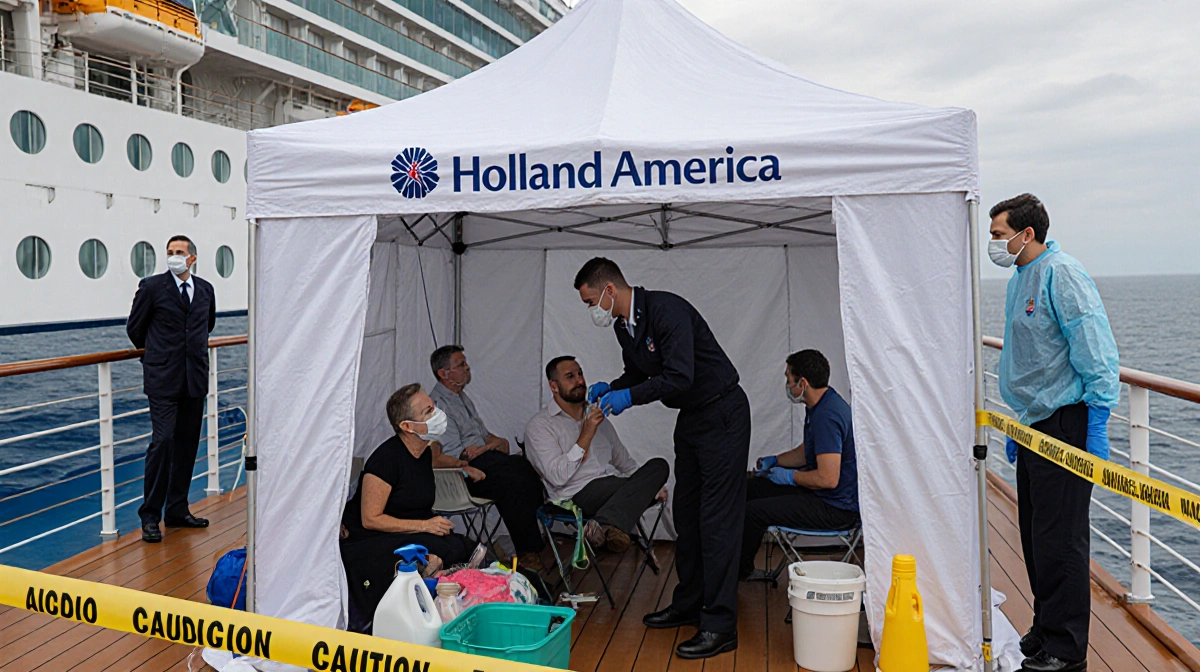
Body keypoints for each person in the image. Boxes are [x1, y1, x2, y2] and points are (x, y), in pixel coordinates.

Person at [575, 257, 750, 660]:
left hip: (722, 412)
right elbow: (638, 375)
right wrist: (613, 387)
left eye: (590, 301)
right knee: (686, 514)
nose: (591, 310)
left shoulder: (666, 310)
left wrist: (629, 397)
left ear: (609, 290)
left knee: (717, 520)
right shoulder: (624, 327)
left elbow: (679, 376)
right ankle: (689, 602)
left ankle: (720, 625)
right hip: (691, 418)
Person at [990, 194, 1119, 672]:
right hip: (1034, 423)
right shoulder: (1021, 278)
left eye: (999, 235)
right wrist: (1021, 420)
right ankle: (1045, 628)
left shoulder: (1062, 274)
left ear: (1027, 234)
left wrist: (1099, 419)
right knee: (1035, 535)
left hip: (1067, 423)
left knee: (1061, 539)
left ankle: (1067, 650)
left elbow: (1094, 345)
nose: (994, 244)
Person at [340, 384, 481, 633]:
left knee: (464, 546)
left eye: (434, 408)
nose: (437, 415)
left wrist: (429, 522)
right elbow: (370, 519)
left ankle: (466, 612)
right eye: (428, 412)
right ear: (407, 426)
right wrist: (425, 525)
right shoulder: (385, 460)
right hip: (369, 536)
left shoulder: (424, 453)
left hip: (408, 528)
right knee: (432, 553)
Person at [525, 355, 669, 553]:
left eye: (580, 374)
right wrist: (587, 433)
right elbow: (557, 477)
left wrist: (649, 483)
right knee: (639, 489)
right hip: (574, 495)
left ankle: (603, 525)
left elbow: (624, 461)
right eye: (570, 376)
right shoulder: (540, 426)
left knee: (659, 466)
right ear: (554, 386)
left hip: (610, 487)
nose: (579, 381)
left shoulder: (598, 417)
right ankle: (607, 524)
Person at [738, 349, 859, 580]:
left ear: (802, 382)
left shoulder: (827, 415)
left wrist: (789, 477)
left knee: (753, 512)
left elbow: (828, 478)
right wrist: (776, 461)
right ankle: (725, 559)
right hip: (824, 497)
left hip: (836, 508)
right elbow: (809, 452)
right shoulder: (822, 405)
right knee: (749, 488)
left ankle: (739, 572)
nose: (787, 384)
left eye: (788, 379)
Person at [126, 235, 216, 543]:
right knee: (162, 441)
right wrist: (159, 356)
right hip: (162, 380)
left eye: (179, 252)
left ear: (191, 258)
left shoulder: (205, 290)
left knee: (188, 445)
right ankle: (150, 515)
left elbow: (208, 325)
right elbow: (134, 329)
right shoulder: (151, 287)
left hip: (194, 380)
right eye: (170, 252)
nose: (173, 256)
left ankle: (177, 509)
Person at [427, 345, 547, 569]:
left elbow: (484, 436)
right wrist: (484, 448)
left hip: (484, 459)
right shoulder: (438, 406)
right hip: (462, 474)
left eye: (465, 363)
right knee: (512, 481)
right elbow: (456, 453)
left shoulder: (462, 398)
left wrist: (494, 443)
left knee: (524, 466)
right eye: (460, 365)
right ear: (443, 373)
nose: (467, 367)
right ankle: (526, 550)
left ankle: (534, 540)